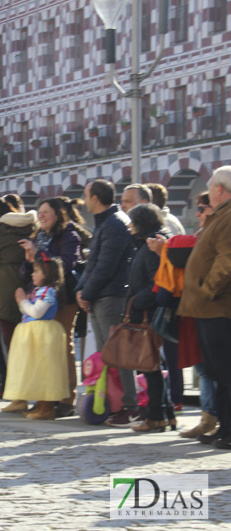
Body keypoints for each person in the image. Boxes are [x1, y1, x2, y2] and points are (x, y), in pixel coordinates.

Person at [75, 179, 137, 427]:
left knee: (118, 354)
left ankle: (130, 406)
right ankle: (115, 402)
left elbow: (106, 266)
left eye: (86, 194)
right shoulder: (106, 222)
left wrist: (86, 293)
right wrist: (81, 289)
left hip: (111, 296)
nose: (84, 199)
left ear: (96, 198)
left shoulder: (114, 223)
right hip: (101, 295)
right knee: (107, 356)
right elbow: (93, 264)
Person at [178, 167, 231, 449]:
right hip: (208, 308)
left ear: (220, 190)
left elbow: (227, 260)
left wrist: (207, 289)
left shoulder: (228, 216)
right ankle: (224, 428)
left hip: (218, 307)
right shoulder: (220, 215)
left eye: (211, 188)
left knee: (225, 373)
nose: (209, 193)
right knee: (217, 374)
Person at [18, 197, 84, 418]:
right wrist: (29, 261)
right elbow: (26, 272)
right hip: (39, 297)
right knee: (42, 350)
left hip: (62, 299)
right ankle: (45, 398)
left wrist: (36, 254)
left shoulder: (69, 235)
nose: (42, 215)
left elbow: (65, 265)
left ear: (58, 214)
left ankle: (66, 398)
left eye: (47, 212)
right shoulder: (38, 236)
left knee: (63, 346)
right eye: (40, 211)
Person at [122, 203, 176, 433]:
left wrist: (136, 303)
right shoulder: (147, 243)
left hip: (149, 313)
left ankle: (156, 417)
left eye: (133, 222)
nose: (130, 227)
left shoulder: (152, 244)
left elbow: (158, 281)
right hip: (148, 311)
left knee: (150, 365)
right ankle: (166, 414)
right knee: (153, 364)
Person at [0, 193, 37, 407]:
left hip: (5, 294)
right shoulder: (33, 226)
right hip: (35, 289)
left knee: (13, 347)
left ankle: (19, 396)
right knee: (36, 345)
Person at [2, 255, 69, 420]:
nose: (32, 275)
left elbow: (37, 312)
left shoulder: (48, 291)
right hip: (33, 333)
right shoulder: (39, 291)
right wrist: (23, 303)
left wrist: (23, 301)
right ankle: (40, 405)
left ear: (47, 274)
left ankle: (46, 407)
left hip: (42, 334)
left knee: (44, 369)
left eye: (36, 271)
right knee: (35, 368)